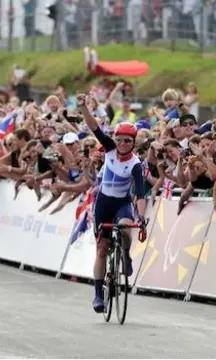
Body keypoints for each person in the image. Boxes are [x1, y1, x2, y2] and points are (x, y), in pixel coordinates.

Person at [78, 93, 147, 314]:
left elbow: (141, 195)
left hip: (122, 204)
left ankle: (126, 255)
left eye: (128, 140)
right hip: (103, 204)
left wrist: (142, 218)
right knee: (101, 250)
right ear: (115, 139)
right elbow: (93, 127)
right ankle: (98, 294)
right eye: (120, 139)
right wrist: (83, 107)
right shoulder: (108, 148)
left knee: (126, 227)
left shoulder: (136, 165)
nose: (123, 143)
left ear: (134, 143)